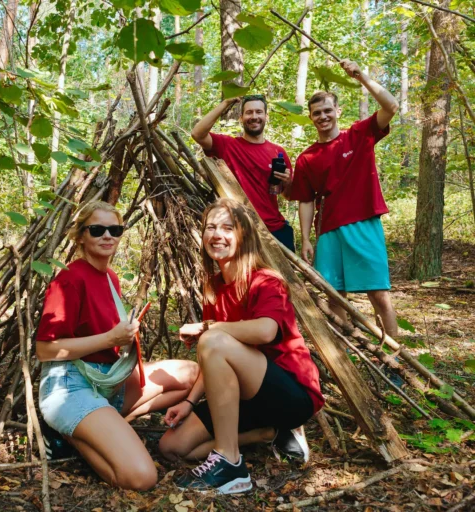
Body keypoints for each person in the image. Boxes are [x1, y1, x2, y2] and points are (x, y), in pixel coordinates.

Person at [158, 199, 324, 493]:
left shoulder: (265, 281)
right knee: (172, 447)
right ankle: (267, 434)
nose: (216, 235)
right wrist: (189, 402)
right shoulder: (213, 286)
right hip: (243, 398)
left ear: (244, 236)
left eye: (227, 228)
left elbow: (265, 331)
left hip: (290, 395)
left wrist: (207, 327)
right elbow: (213, 357)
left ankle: (230, 463)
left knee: (213, 339)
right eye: (211, 227)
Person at [36, 200, 199, 490]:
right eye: (97, 230)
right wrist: (110, 338)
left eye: (115, 230)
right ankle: (71, 437)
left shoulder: (110, 277)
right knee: (142, 477)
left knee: (191, 374)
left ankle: (105, 425)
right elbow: (44, 350)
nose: (107, 236)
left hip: (108, 381)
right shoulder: (70, 279)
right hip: (70, 386)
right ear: (81, 235)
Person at [288, 60, 399, 337]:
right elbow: (305, 201)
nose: (323, 116)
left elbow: (391, 107)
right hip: (328, 229)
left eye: (327, 110)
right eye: (317, 113)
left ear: (338, 111)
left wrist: (361, 76)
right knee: (334, 295)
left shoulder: (359, 135)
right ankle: (343, 352)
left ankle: (394, 353)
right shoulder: (307, 157)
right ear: (311, 118)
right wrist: (305, 239)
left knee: (378, 293)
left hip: (363, 222)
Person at [191, 94, 296, 251]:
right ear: (241, 118)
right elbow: (197, 134)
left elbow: (288, 196)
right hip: (241, 229)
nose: (254, 116)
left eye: (259, 112)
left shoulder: (277, 152)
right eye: (249, 112)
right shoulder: (228, 145)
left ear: (266, 116)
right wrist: (225, 103)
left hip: (275, 230)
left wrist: (287, 182)